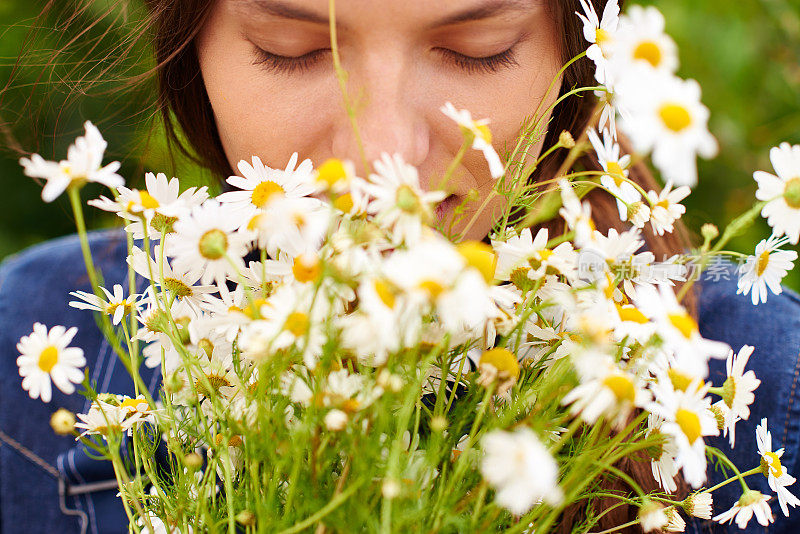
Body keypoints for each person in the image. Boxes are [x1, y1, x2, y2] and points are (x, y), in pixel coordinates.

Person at [0, 0, 797, 532]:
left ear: (578, 53)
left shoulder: (769, 396)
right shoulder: (22, 363)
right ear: (188, 42)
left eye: (476, 51)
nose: (386, 160)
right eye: (294, 51)